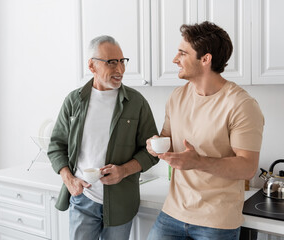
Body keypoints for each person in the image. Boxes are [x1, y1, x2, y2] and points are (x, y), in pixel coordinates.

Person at [146, 21, 264, 240]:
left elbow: (247, 167)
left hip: (216, 221)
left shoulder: (241, 104)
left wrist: (198, 161)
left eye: (182, 53)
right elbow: (168, 139)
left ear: (205, 59)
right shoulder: (177, 97)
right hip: (173, 212)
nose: (175, 59)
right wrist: (156, 144)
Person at [47, 35, 159, 240]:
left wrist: (123, 171)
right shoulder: (74, 101)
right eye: (111, 62)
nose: (120, 70)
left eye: (122, 61)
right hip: (83, 200)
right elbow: (56, 146)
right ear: (92, 66)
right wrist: (69, 179)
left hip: (121, 203)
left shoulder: (136, 102)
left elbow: (152, 153)